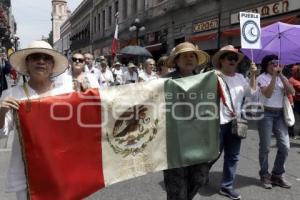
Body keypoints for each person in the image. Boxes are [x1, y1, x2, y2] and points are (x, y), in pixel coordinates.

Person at [0, 40, 71, 200]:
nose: (41, 61)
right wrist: (2, 112)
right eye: (35, 57)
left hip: (61, 170)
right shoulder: (12, 94)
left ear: (52, 65)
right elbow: (2, 133)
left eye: (46, 58)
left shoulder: (67, 93)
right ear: (28, 63)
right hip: (27, 177)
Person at [163, 42, 210, 200]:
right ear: (176, 60)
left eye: (192, 56)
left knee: (199, 179)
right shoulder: (165, 82)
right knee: (176, 187)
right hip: (174, 143)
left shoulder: (205, 81)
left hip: (198, 141)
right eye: (184, 56)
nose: (189, 59)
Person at [211, 45, 257, 200]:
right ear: (221, 60)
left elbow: (251, 93)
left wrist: (253, 75)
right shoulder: (213, 76)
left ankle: (227, 186)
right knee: (213, 154)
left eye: (235, 58)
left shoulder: (240, 77)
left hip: (236, 121)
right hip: (217, 122)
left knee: (233, 155)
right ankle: (200, 175)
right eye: (229, 58)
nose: (233, 60)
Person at [257, 55, 295, 190]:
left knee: (285, 146)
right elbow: (267, 94)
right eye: (272, 63)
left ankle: (277, 174)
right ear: (266, 65)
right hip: (265, 113)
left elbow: (292, 91)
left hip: (279, 114)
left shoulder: (282, 77)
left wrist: (282, 77)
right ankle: (264, 174)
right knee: (265, 146)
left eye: (277, 63)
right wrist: (274, 76)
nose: (275, 65)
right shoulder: (261, 78)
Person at [289, 64, 300, 139]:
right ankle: (290, 132)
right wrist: (291, 101)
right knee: (291, 117)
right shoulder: (292, 80)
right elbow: (290, 93)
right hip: (294, 101)